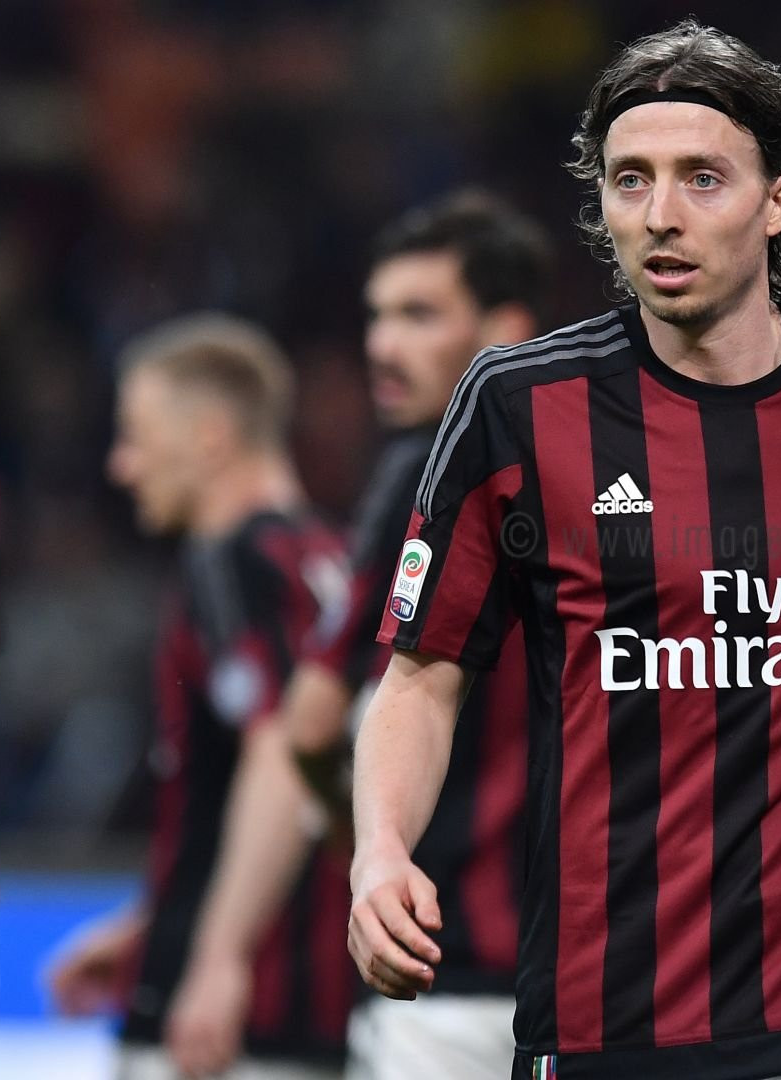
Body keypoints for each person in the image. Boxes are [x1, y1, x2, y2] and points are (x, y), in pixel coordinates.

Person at [350, 21, 781, 1080]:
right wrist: (380, 849)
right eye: (631, 179)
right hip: (608, 1026)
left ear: (779, 199)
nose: (660, 214)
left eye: (702, 178)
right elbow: (423, 674)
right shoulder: (517, 408)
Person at [164, 191, 556, 1080]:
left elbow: (309, 724)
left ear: (505, 330)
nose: (382, 344)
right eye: (378, 316)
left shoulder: (424, 467)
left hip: (442, 974)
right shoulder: (606, 461)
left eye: (419, 315)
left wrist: (374, 836)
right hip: (605, 981)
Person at [47, 314, 356, 1079]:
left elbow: (283, 756)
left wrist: (216, 956)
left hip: (231, 1023)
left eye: (136, 435)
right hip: (322, 997)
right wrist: (150, 925)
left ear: (211, 435)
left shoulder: (233, 563)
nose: (121, 464)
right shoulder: (334, 560)